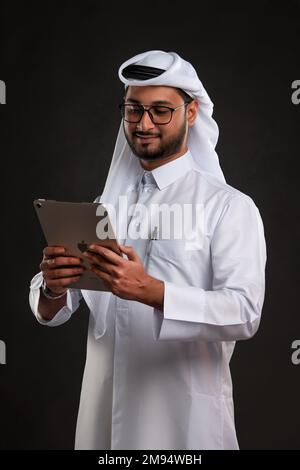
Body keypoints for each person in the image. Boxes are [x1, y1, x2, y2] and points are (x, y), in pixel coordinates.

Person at [29, 50, 267, 450]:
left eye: (161, 111)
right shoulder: (106, 207)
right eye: (133, 110)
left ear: (191, 113)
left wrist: (152, 292)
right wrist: (54, 286)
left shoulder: (227, 206)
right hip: (102, 414)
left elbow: (244, 312)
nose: (144, 123)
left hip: (184, 422)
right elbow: (55, 308)